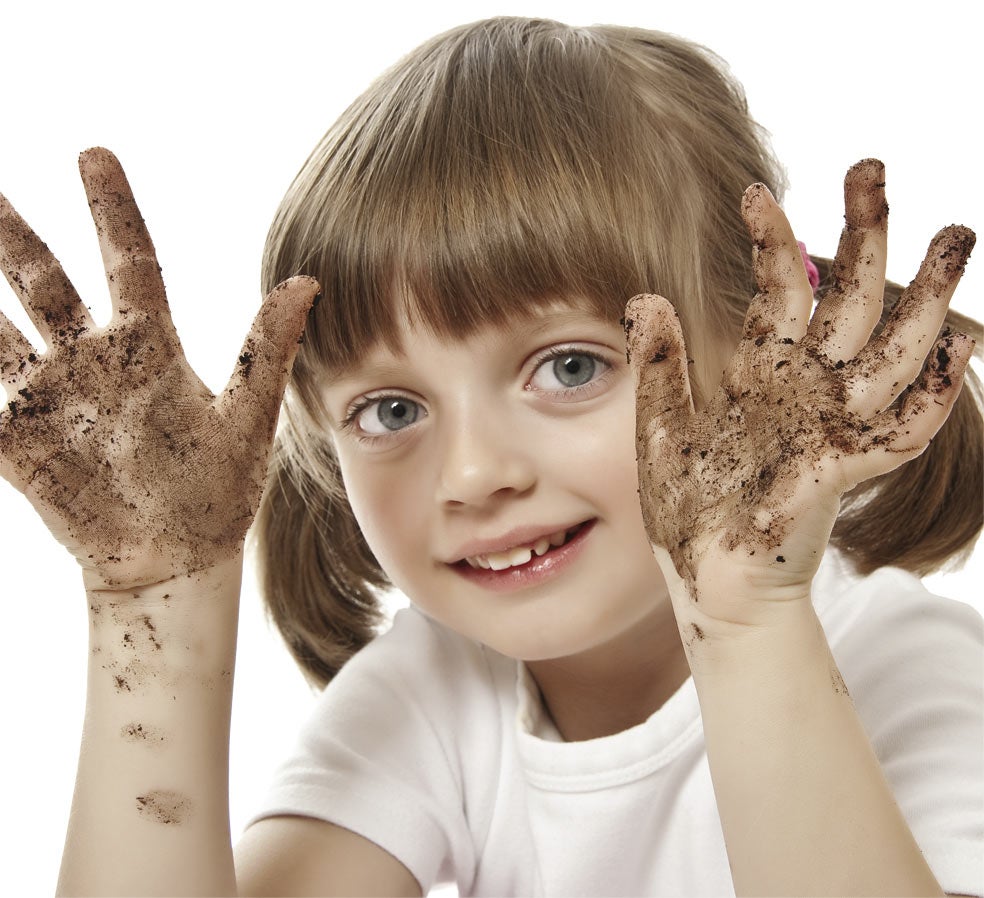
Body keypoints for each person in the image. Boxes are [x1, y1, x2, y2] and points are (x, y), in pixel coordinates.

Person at [0, 15, 980, 897]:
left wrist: (748, 624)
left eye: (568, 366)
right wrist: (155, 612)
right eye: (390, 409)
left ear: (766, 338)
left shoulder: (912, 669)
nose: (472, 475)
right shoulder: (439, 688)